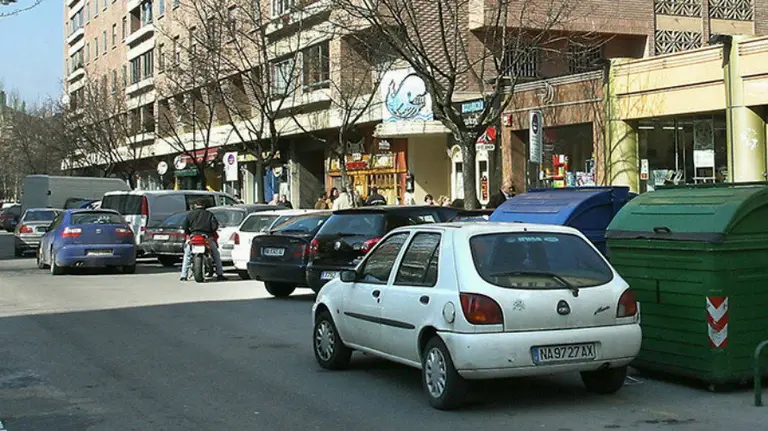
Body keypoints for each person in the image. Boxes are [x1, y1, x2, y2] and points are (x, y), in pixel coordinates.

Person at [180, 199, 226, 281]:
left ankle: (184, 275)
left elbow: (184, 226)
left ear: (195, 205)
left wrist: (189, 233)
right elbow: (214, 226)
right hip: (207, 237)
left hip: (193, 237)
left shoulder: (190, 215)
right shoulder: (209, 214)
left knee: (187, 255)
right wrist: (211, 233)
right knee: (216, 254)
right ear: (204, 206)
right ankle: (220, 274)